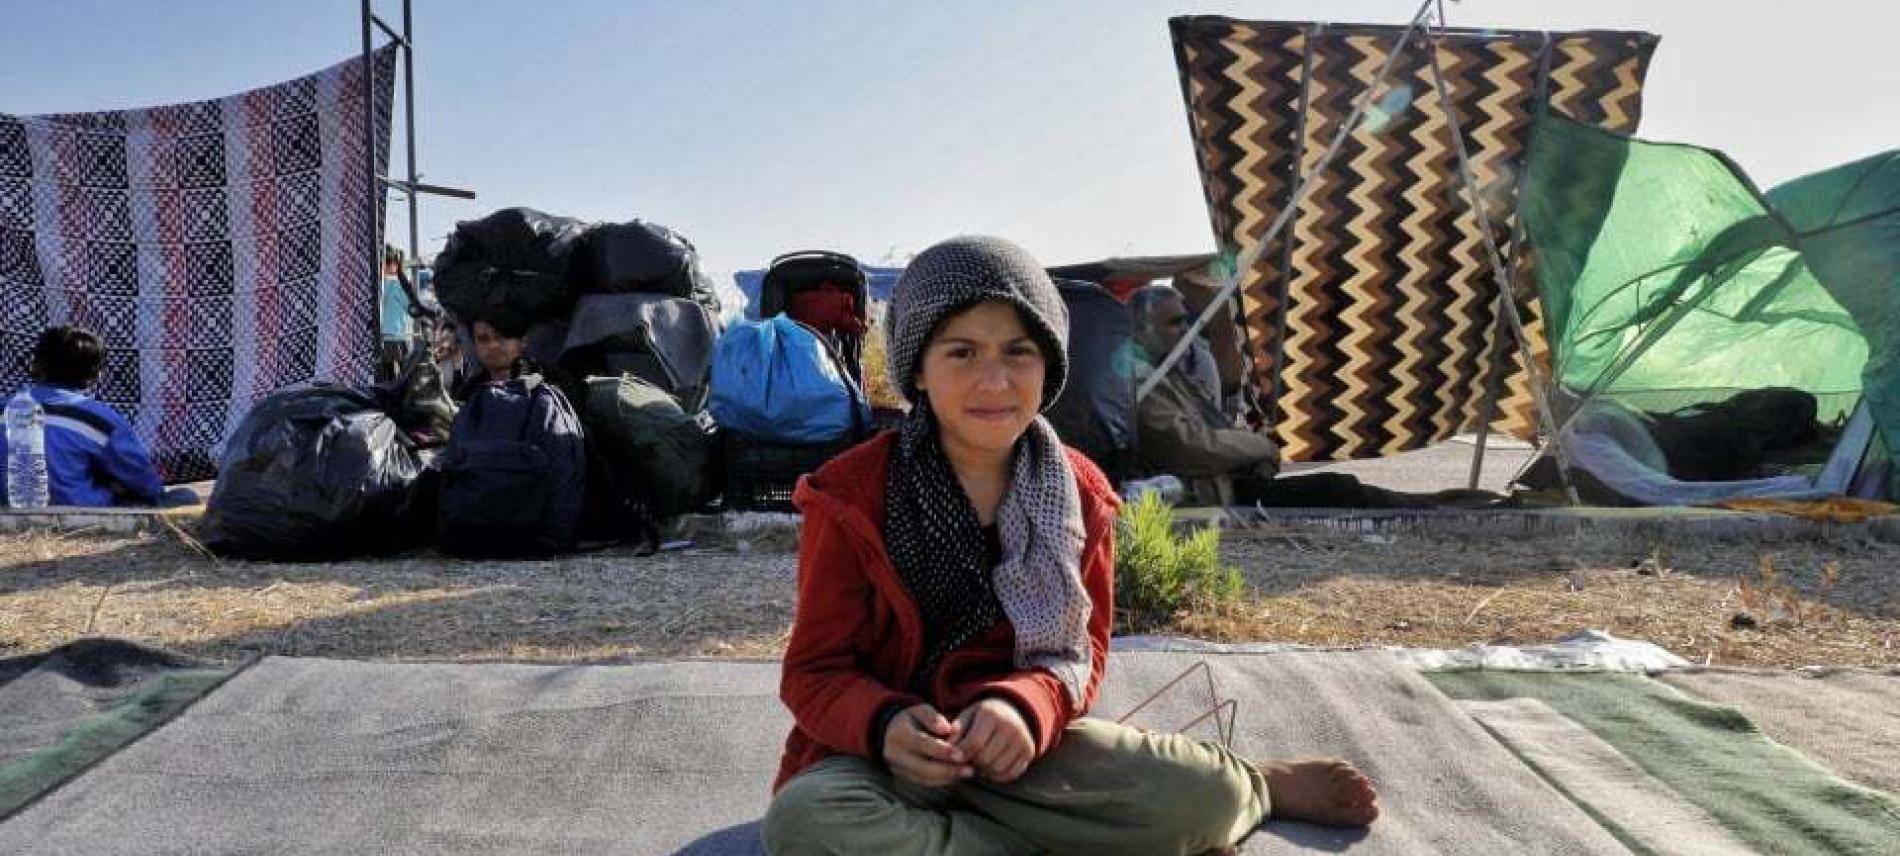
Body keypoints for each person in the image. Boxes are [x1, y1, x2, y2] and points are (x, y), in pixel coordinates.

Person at [762, 237, 1377, 856]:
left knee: (1201, 796)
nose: (994, 379)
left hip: (1023, 758)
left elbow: (1079, 657)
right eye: (961, 352)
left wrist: (1023, 709)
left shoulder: (1079, 493)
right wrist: (886, 722)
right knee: (806, 826)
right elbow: (815, 672)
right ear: (917, 368)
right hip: (883, 764)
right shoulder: (851, 496)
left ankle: (1257, 785)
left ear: (1050, 364)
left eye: (1018, 352)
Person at [1126, 285, 1487, 509]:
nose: (1185, 330)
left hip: (1231, 482)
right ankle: (1442, 510)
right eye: (1174, 322)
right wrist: (1260, 448)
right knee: (1337, 489)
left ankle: (1449, 504)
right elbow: (1191, 448)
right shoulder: (1144, 383)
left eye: (1185, 320)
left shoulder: (1172, 373)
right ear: (1144, 328)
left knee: (1343, 489)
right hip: (1216, 492)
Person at [2, 326, 191, 507]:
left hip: (8, 509)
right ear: (95, 373)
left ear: (37, 364)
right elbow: (144, 482)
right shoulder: (99, 418)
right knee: (184, 497)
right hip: (78, 513)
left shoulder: (4, 407)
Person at [379, 246, 417, 380]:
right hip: (400, 335)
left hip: (383, 337)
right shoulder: (401, 285)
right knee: (405, 376)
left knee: (387, 376)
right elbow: (411, 308)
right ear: (395, 264)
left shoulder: (378, 284)